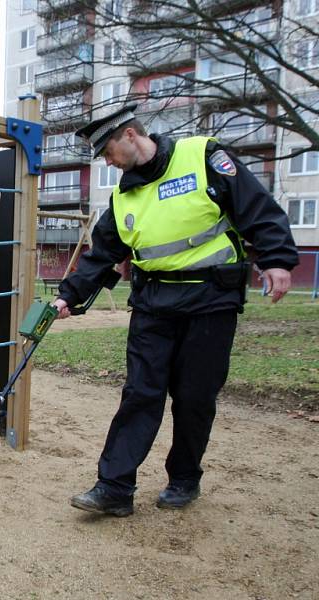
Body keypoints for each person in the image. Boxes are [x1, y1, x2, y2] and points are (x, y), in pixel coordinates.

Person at [54, 103, 299, 517]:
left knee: (194, 398)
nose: (109, 163)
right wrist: (68, 295)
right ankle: (114, 488)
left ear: (130, 135)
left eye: (109, 152)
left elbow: (254, 205)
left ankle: (184, 478)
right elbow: (103, 254)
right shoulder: (123, 196)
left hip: (210, 302)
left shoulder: (204, 157)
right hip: (153, 304)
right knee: (139, 394)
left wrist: (276, 258)